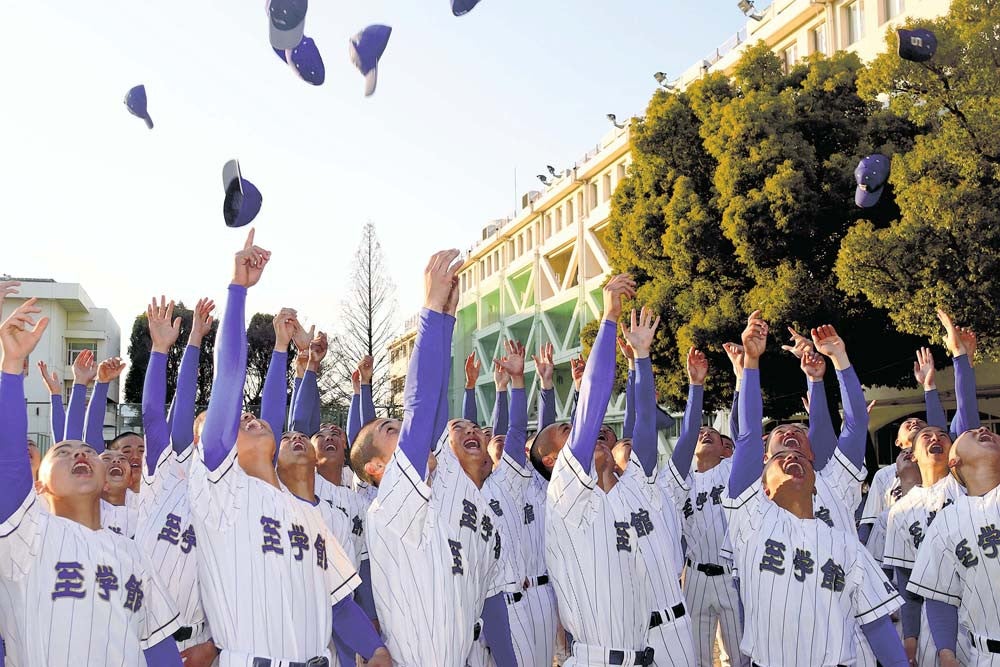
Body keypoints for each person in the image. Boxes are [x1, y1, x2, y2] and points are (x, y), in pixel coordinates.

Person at [187, 231, 390, 667]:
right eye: (237, 419)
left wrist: (375, 651)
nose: (249, 417)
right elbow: (228, 380)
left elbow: (338, 601)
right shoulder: (222, 492)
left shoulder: (307, 509)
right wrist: (238, 290)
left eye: (253, 416)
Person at [351, 249, 515, 667]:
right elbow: (421, 408)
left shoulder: (443, 483)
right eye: (391, 430)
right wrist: (430, 310)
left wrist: (447, 317)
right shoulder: (390, 507)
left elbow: (436, 406)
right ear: (376, 468)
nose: (406, 431)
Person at [0, 297, 184, 666]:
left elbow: (157, 648)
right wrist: (12, 367)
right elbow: (9, 460)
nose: (80, 454)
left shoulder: (132, 553)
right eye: (63, 452)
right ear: (40, 485)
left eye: (87, 450)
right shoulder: (26, 535)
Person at [725, 310, 907, 667]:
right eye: (780, 437)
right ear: (763, 462)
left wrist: (839, 358)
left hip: (848, 640)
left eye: (798, 434)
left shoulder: (833, 483)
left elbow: (855, 425)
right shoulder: (751, 512)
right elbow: (745, 436)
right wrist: (750, 363)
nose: (790, 436)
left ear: (812, 455)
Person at [538, 275, 661, 667]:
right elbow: (591, 403)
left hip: (643, 654)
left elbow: (644, 429)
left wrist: (641, 358)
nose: (588, 433)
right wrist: (608, 319)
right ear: (554, 462)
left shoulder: (624, 491)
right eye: (569, 432)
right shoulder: (565, 497)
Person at [134, 295, 219, 666]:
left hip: (205, 640)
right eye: (208, 423)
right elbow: (160, 411)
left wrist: (214, 645)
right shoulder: (168, 468)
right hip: (148, 640)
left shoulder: (229, 490)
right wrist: (170, 347)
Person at [907, 426, 1000, 667]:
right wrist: (946, 653)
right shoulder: (945, 521)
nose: (983, 428)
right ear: (954, 461)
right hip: (987, 655)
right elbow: (940, 595)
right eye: (969, 434)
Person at [884, 425, 968, 666]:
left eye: (943, 436)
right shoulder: (900, 510)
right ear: (912, 455)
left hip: (981, 603)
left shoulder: (968, 487)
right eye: (927, 436)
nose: (935, 439)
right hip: (933, 619)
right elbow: (907, 583)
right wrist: (910, 639)